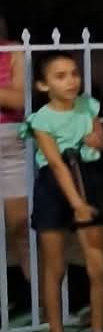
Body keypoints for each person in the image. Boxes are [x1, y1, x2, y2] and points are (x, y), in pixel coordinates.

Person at [20, 51, 103, 332]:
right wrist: (77, 204)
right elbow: (55, 163)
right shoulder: (41, 119)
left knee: (97, 265)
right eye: (60, 76)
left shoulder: (88, 105)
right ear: (42, 84)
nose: (71, 81)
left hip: (88, 180)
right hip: (56, 187)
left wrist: (100, 140)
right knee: (55, 268)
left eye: (74, 73)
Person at [0, 20, 28, 285]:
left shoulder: (12, 50)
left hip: (9, 145)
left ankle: (43, 301)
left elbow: (18, 100)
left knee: (21, 226)